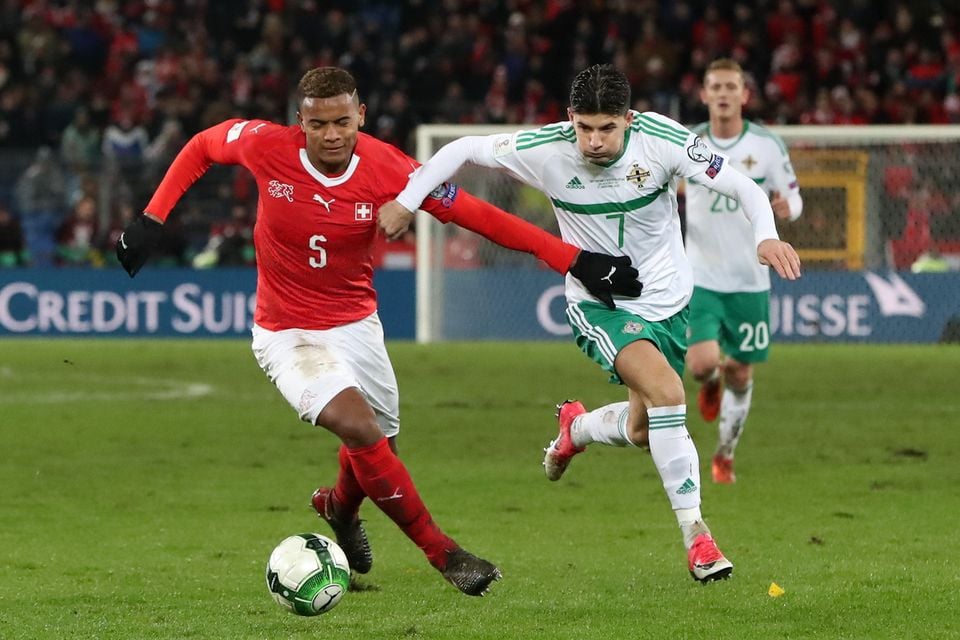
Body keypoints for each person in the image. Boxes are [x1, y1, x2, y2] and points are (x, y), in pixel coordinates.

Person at [115, 66, 641, 597]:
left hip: (356, 326)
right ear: (300, 122)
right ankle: (446, 553)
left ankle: (339, 509)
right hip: (287, 331)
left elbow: (478, 215)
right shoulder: (265, 147)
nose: (332, 135)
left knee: (379, 444)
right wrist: (152, 218)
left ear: (360, 116)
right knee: (360, 428)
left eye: (343, 121)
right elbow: (204, 145)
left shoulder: (393, 169)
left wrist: (574, 260)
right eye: (318, 124)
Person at [378, 63, 801, 583]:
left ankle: (575, 429)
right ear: (570, 118)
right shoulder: (545, 149)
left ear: (629, 118)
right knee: (670, 394)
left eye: (608, 129)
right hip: (599, 304)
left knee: (646, 428)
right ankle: (699, 538)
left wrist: (765, 235)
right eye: (584, 128)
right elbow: (463, 148)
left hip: (669, 303)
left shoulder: (664, 140)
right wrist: (407, 199)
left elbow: (745, 188)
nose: (595, 141)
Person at [684, 59, 803, 484]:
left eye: (731, 86)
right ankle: (710, 377)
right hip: (699, 274)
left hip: (750, 278)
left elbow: (793, 195)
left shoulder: (767, 146)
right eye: (714, 85)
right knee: (700, 365)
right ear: (703, 94)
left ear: (744, 95)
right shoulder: (689, 142)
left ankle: (725, 454)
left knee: (742, 372)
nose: (723, 93)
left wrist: (791, 208)